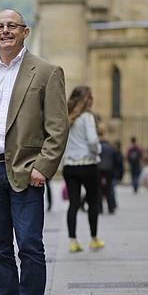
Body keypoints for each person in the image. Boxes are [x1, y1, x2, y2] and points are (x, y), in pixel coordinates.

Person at [0, 9, 69, 295]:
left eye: (11, 26)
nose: (5, 31)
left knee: (30, 245)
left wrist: (43, 168)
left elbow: (58, 127)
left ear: (25, 32)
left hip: (26, 172)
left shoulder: (47, 72)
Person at [62, 86, 104, 253]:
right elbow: (93, 140)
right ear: (87, 99)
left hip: (70, 166)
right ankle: (93, 239)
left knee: (73, 204)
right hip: (88, 164)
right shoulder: (87, 117)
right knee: (93, 201)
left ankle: (73, 241)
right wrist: (98, 150)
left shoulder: (65, 117)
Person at [97, 123, 121, 214]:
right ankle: (111, 207)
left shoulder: (97, 146)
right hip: (109, 170)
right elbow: (115, 160)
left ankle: (100, 208)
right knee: (109, 189)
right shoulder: (111, 147)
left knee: (98, 189)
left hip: (99, 169)